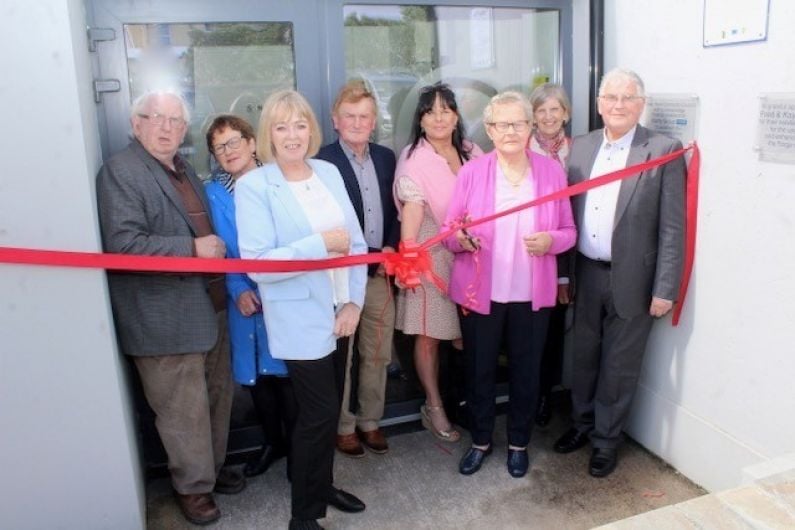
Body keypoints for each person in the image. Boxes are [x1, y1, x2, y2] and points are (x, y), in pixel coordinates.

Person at [96, 90, 244, 526]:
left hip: (209, 308)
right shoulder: (120, 171)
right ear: (135, 123)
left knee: (216, 400)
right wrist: (191, 248)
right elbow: (123, 246)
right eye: (155, 117)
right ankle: (192, 488)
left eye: (175, 121)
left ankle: (210, 473)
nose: (166, 127)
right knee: (182, 411)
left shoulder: (182, 170)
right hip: (163, 317)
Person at [235, 89, 368, 530]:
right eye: (281, 126)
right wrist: (319, 245)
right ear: (267, 134)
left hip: (339, 311)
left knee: (328, 411)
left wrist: (353, 301)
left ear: (311, 128)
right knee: (318, 414)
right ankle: (303, 517)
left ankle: (322, 485)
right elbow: (257, 266)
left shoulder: (328, 171)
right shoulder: (256, 185)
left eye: (299, 124)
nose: (292, 135)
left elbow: (358, 244)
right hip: (298, 318)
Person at [553, 68, 685, 478]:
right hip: (587, 273)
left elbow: (672, 227)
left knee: (619, 365)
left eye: (628, 98)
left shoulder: (662, 148)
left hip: (635, 281)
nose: (619, 105)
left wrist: (665, 288)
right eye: (611, 97)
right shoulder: (581, 148)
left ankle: (606, 442)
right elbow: (565, 214)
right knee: (584, 357)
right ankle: (581, 424)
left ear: (641, 104)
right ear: (598, 104)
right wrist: (563, 276)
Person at [442, 91, 576, 478]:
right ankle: (481, 441)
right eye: (503, 124)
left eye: (520, 123)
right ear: (489, 130)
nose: (512, 131)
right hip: (481, 293)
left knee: (526, 371)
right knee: (479, 371)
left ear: (530, 127)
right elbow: (450, 232)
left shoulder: (551, 172)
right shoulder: (472, 172)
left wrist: (552, 241)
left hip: (531, 295)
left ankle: (519, 443)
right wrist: (462, 239)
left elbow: (569, 231)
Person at [204, 114, 296, 478]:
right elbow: (219, 249)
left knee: (288, 373)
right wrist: (238, 288)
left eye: (233, 142)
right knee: (258, 377)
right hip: (242, 297)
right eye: (219, 147)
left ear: (252, 142)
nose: (228, 152)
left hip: (283, 290)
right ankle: (273, 442)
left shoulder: (280, 180)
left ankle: (297, 452)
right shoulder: (213, 192)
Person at [393, 82, 483, 443]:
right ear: (421, 119)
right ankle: (434, 407)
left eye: (446, 109)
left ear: (457, 114)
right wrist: (410, 255)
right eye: (430, 110)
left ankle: (463, 401)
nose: (439, 117)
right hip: (431, 253)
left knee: (465, 336)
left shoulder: (472, 151)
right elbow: (412, 211)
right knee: (430, 337)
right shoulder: (414, 158)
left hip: (473, 253)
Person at [316, 80, 399, 458]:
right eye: (349, 116)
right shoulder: (321, 162)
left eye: (364, 116)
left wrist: (391, 248)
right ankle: (344, 426)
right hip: (341, 278)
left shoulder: (386, 157)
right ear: (335, 120)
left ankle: (370, 421)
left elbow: (394, 208)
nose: (357, 122)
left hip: (379, 273)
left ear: (373, 121)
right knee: (343, 355)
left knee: (378, 351)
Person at [528, 83, 574, 427]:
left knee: (551, 334)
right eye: (541, 110)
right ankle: (525, 395)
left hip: (562, 251)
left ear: (566, 114)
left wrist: (563, 275)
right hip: (527, 253)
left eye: (554, 109)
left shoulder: (580, 151)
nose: (547, 117)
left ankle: (543, 396)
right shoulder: (519, 149)